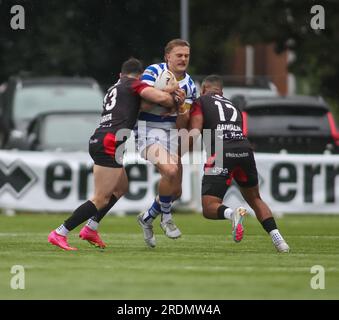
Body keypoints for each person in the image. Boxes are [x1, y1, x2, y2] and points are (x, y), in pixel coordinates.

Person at [47, 58, 185, 251]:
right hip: (109, 143)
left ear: (120, 74)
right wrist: (172, 92)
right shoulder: (134, 83)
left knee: (120, 188)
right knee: (100, 198)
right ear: (140, 76)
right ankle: (60, 232)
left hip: (104, 139)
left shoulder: (116, 87)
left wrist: (167, 97)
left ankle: (91, 228)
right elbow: (161, 99)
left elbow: (145, 106)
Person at [188, 75, 290, 253]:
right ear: (222, 91)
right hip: (244, 148)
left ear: (204, 89)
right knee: (255, 198)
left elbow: (195, 130)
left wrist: (180, 149)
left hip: (220, 149)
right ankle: (279, 240)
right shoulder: (233, 105)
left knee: (209, 207)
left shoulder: (201, 101)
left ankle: (232, 214)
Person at [136, 39, 196, 248]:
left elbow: (182, 123)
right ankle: (166, 218)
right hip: (147, 131)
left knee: (175, 191)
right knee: (169, 171)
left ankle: (147, 218)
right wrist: (169, 95)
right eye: (179, 55)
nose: (183, 59)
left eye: (186, 55)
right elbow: (142, 101)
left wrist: (180, 108)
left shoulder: (190, 85)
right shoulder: (153, 71)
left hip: (171, 134)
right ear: (167, 57)